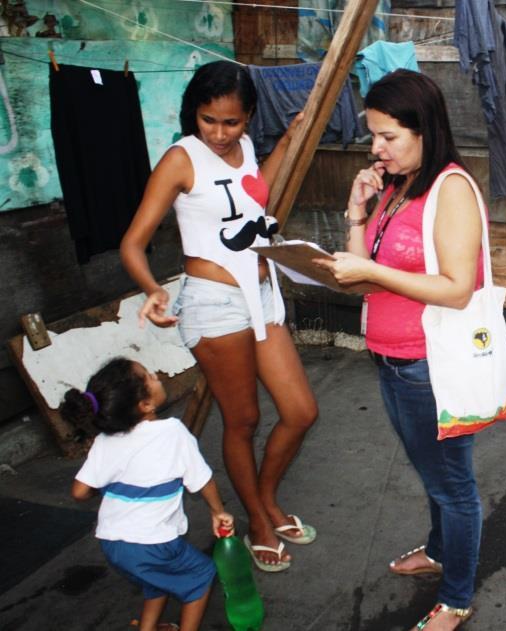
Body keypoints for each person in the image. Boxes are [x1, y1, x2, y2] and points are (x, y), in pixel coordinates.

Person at [120, 60, 318, 573]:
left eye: (232, 121)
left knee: (300, 411)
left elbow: (253, 193)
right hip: (212, 303)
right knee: (243, 419)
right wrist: (151, 290)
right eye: (209, 120)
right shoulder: (181, 159)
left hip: (263, 293)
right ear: (195, 114)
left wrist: (290, 138)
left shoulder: (246, 147)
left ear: (248, 115)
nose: (220, 133)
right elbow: (133, 243)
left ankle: (268, 498)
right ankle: (257, 518)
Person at [314, 69, 484, 630]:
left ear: (424, 129)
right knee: (432, 473)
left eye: (388, 136)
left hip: (430, 364)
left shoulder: (449, 188)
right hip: (390, 359)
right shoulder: (395, 187)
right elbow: (360, 281)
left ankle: (456, 597)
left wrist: (371, 268)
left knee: (453, 485)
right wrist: (357, 214)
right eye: (373, 135)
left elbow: (457, 289)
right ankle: (439, 551)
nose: (376, 148)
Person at [63, 358, 233, 631]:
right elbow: (203, 480)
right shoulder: (172, 432)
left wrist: (115, 487)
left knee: (156, 578)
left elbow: (80, 491)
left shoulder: (106, 440)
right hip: (153, 543)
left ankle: (148, 627)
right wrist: (217, 511)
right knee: (201, 575)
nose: (156, 375)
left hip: (113, 543)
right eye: (150, 377)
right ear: (146, 405)